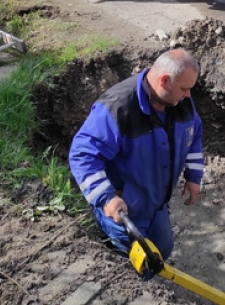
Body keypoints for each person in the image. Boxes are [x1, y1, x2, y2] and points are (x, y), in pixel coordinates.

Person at [69, 48, 204, 262]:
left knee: (163, 249)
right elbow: (82, 155)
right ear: (165, 81)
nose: (188, 95)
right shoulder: (117, 109)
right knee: (136, 264)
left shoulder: (180, 102)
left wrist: (193, 177)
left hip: (155, 202)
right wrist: (106, 199)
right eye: (184, 89)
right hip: (125, 212)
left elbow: (193, 134)